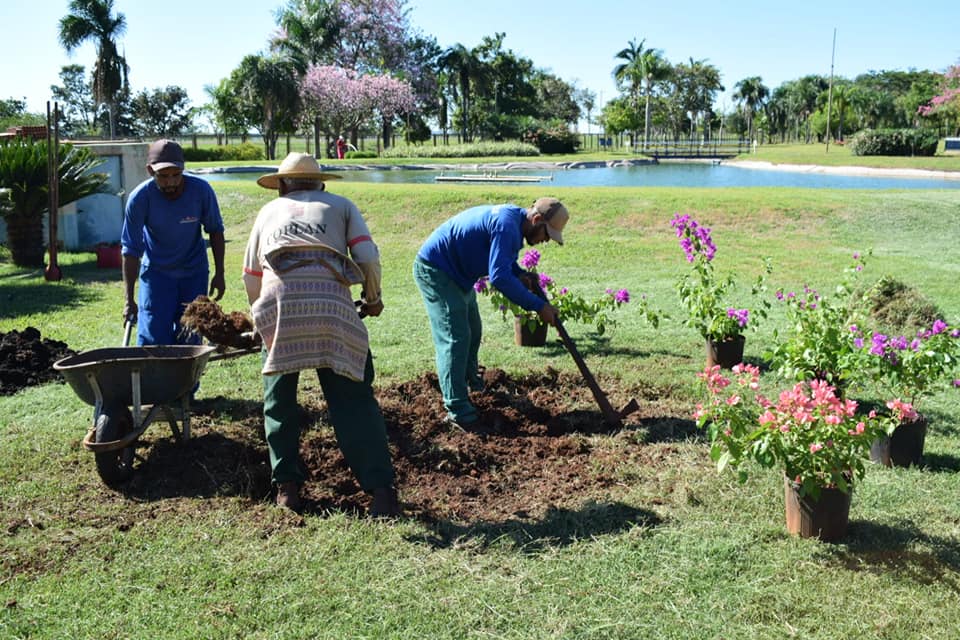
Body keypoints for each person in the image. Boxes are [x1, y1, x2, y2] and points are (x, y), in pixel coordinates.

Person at [242, 152, 399, 516]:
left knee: (279, 400)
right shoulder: (342, 205)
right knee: (354, 400)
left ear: (281, 186)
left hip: (280, 307)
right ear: (322, 183)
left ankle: (287, 490)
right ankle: (381, 494)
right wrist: (372, 298)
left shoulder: (268, 212)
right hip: (332, 306)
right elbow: (367, 258)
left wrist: (260, 318)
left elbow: (251, 275)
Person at [413, 198, 569, 427]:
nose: (546, 241)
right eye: (547, 234)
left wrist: (519, 273)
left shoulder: (514, 222)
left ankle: (471, 384)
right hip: (437, 270)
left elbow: (502, 261)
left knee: (473, 331)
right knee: (455, 338)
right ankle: (457, 410)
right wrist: (538, 306)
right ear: (536, 220)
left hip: (459, 275)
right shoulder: (506, 225)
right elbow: (499, 277)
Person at [121, 139, 225, 346]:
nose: (170, 182)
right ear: (150, 171)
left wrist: (220, 273)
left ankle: (187, 379)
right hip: (157, 276)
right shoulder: (140, 198)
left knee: (191, 336)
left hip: (193, 273)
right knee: (153, 338)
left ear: (184, 170)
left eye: (176, 175)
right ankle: (154, 379)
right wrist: (129, 299)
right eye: (163, 176)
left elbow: (215, 231)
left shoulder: (201, 191)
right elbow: (130, 249)